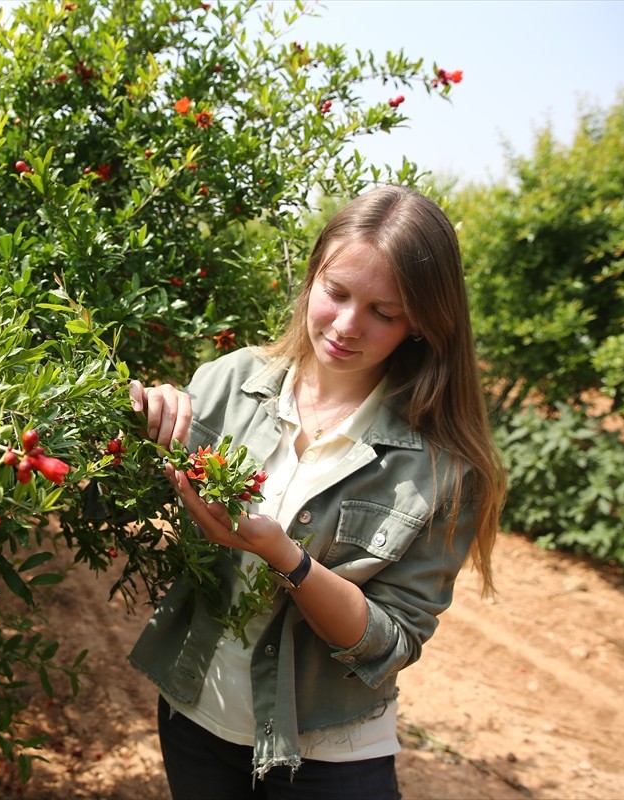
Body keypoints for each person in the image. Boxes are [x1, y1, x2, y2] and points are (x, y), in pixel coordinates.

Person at [126, 185, 507, 800]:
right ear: (312, 279)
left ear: (421, 325)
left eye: (385, 312)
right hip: (197, 716)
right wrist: (141, 413)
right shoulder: (228, 381)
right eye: (337, 293)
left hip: (328, 757)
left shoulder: (444, 468)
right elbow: (114, 494)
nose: (348, 325)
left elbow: (391, 641)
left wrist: (288, 559)